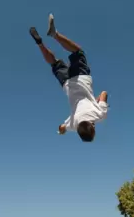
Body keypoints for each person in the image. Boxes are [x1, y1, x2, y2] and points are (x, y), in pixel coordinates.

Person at [29, 13, 109, 142]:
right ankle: (39, 44)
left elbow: (104, 93)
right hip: (67, 85)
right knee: (54, 63)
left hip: (81, 79)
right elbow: (61, 128)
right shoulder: (73, 124)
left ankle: (55, 34)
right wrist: (61, 132)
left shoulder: (100, 114)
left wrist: (97, 101)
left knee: (78, 52)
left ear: (93, 129)